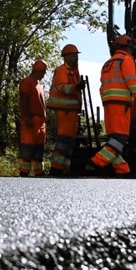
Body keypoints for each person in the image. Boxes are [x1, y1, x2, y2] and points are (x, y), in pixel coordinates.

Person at [87, 35, 136, 177]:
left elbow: (102, 86)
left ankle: (122, 170)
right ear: (128, 47)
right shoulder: (126, 60)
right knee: (119, 139)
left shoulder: (108, 63)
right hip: (121, 104)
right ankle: (96, 162)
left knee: (113, 139)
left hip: (109, 104)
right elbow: (131, 81)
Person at [47, 44, 86, 176]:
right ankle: (56, 167)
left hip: (72, 111)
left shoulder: (74, 72)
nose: (76, 58)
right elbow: (61, 87)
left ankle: (63, 167)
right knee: (64, 139)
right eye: (74, 55)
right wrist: (76, 87)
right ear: (66, 57)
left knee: (69, 140)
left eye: (77, 55)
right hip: (64, 110)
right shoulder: (62, 70)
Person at [17, 59, 48, 177]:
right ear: (39, 71)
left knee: (39, 150)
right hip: (31, 121)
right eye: (44, 72)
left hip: (40, 122)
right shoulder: (26, 82)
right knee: (28, 149)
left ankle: (39, 173)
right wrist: (27, 117)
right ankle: (24, 173)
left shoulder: (38, 84)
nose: (45, 74)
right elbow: (23, 100)